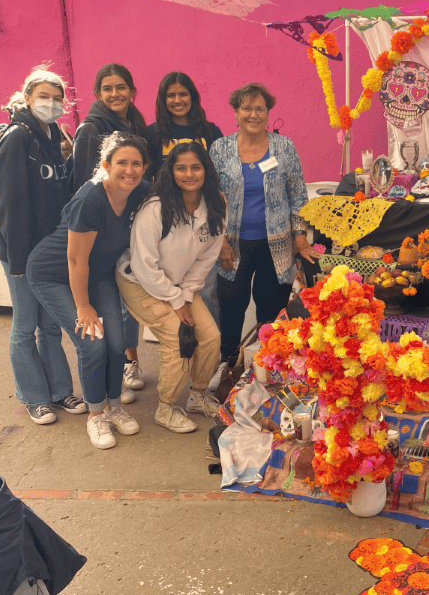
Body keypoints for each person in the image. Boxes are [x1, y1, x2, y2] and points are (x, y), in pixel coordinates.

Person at [27, 133, 150, 450]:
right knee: (92, 343)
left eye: (136, 163)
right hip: (54, 274)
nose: (129, 169)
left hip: (98, 275)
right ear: (106, 165)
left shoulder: (137, 192)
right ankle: (96, 416)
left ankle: (114, 408)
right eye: (121, 162)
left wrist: (211, 195)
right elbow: (75, 260)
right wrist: (83, 307)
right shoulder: (90, 200)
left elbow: (175, 192)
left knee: (117, 341)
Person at [0, 66, 84, 425]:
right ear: (27, 98)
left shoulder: (52, 132)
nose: (52, 103)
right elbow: (8, 200)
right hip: (22, 251)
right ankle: (34, 397)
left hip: (49, 251)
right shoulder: (18, 136)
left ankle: (59, 391)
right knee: (25, 325)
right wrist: (16, 257)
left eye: (58, 98)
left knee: (50, 325)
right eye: (44, 96)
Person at [208, 82, 317, 386]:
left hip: (277, 246)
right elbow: (210, 200)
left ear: (268, 113)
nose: (253, 114)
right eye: (246, 107)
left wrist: (299, 235)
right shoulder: (220, 149)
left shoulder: (284, 147)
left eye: (260, 108)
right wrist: (219, 242)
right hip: (233, 246)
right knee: (230, 307)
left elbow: (297, 195)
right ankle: (226, 364)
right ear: (236, 112)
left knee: (271, 312)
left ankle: (266, 369)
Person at [117, 141, 225, 433]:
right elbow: (144, 265)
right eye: (181, 168)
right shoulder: (156, 208)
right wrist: (176, 302)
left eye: (195, 167)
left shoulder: (215, 205)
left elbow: (206, 258)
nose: (189, 174)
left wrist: (186, 295)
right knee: (178, 335)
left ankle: (197, 396)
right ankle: (165, 408)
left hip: (179, 284)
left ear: (206, 170)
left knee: (211, 336)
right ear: (171, 171)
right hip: (138, 281)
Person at [70, 63, 149, 400]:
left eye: (121, 87)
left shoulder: (135, 121)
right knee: (109, 308)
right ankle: (111, 380)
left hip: (126, 225)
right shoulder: (91, 130)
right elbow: (85, 187)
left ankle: (127, 361)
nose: (115, 94)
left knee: (126, 300)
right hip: (100, 231)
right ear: (98, 94)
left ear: (132, 91)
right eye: (108, 88)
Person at [147, 71, 224, 324]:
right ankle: (182, 343)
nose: (177, 99)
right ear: (162, 99)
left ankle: (212, 349)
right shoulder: (153, 134)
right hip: (168, 222)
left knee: (207, 289)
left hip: (204, 219)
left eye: (183, 93)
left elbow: (219, 178)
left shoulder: (210, 131)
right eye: (171, 95)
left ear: (193, 97)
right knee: (171, 286)